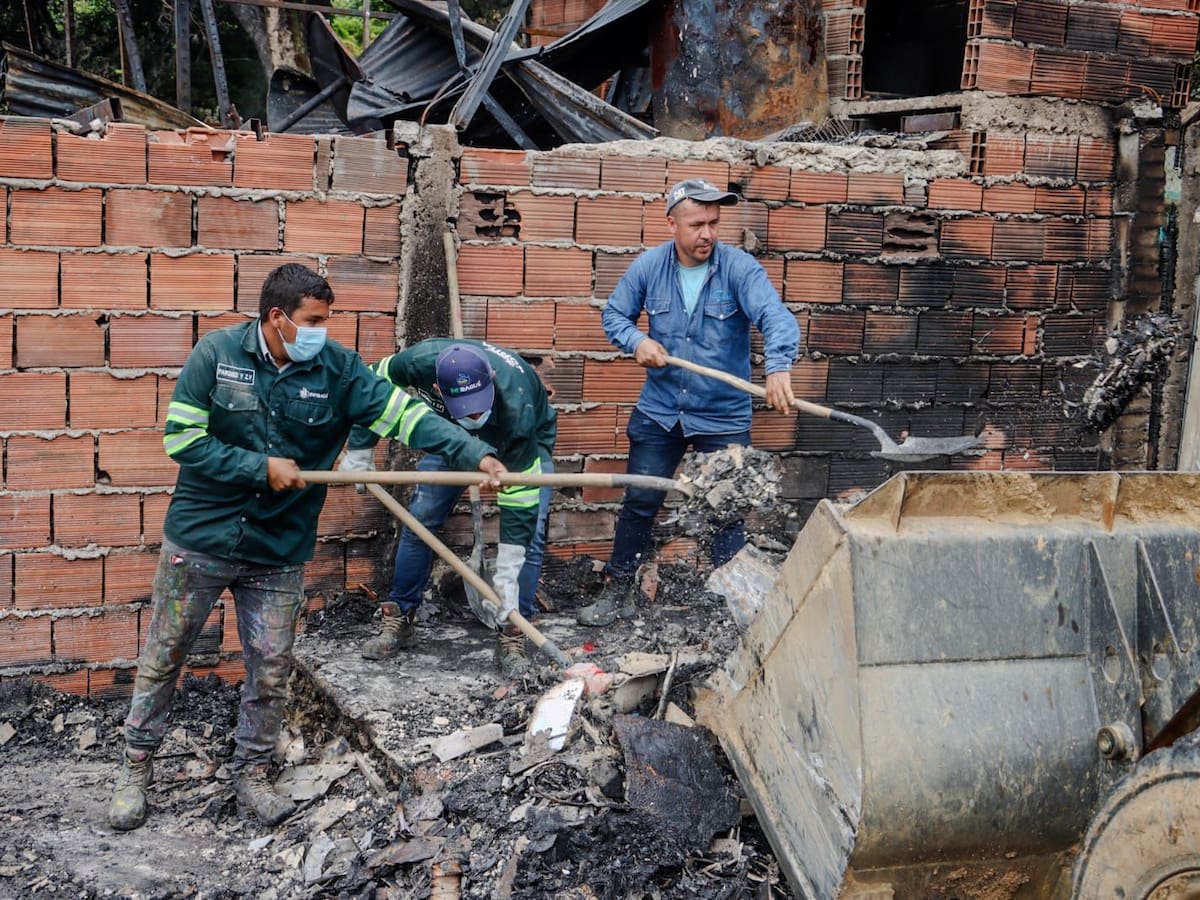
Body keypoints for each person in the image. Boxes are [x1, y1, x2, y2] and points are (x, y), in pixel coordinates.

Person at [107, 264, 505, 832]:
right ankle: (135, 769)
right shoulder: (215, 355)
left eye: (327, 318)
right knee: (165, 655)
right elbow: (182, 438)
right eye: (314, 320)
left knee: (270, 669)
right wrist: (257, 466)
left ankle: (252, 771)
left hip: (279, 548)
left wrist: (474, 453)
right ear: (277, 317)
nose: (324, 329)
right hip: (200, 538)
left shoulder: (340, 371)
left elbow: (407, 417)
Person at [576, 178, 800, 627]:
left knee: (724, 510)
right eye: (698, 224)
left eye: (715, 224)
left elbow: (775, 316)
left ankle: (729, 605)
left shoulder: (739, 269)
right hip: (661, 411)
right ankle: (619, 588)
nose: (708, 234)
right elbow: (614, 315)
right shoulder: (649, 267)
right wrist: (636, 341)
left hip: (722, 415)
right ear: (672, 223)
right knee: (641, 500)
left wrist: (778, 367)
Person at [339, 339, 556, 678]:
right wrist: (360, 449)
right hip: (450, 437)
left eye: (478, 405)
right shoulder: (418, 363)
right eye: (465, 406)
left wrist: (508, 569)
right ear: (438, 389)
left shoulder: (518, 404)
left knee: (531, 535)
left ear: (491, 378)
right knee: (421, 520)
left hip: (518, 443)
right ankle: (400, 616)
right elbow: (370, 387)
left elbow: (520, 505)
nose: (474, 414)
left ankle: (513, 630)